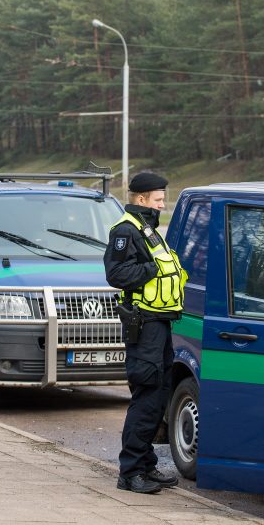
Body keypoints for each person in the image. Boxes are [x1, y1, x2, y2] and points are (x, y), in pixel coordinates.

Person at [104, 172, 187, 494]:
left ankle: (147, 465)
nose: (162, 203)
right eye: (158, 199)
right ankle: (130, 472)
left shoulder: (148, 229)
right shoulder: (126, 230)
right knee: (146, 397)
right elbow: (117, 273)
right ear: (140, 199)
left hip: (159, 322)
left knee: (158, 396)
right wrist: (154, 268)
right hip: (143, 324)